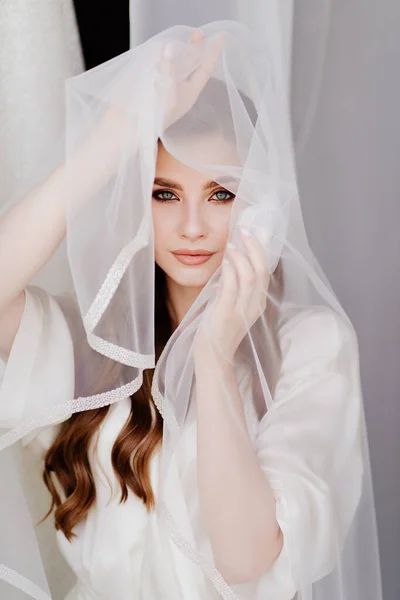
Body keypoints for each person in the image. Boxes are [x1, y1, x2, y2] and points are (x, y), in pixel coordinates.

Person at [0, 21, 381, 600]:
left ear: (261, 201)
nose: (194, 227)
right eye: (164, 194)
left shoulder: (311, 346)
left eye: (221, 193)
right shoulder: (92, 342)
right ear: (135, 201)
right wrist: (116, 135)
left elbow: (246, 559)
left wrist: (213, 357)